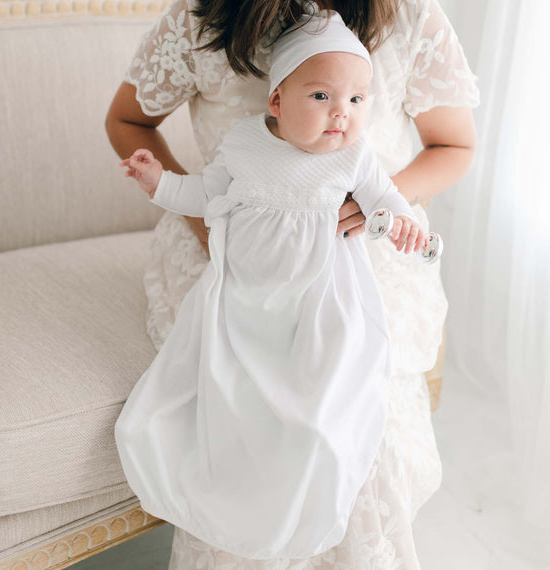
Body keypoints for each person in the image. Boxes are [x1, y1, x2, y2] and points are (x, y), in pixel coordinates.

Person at [106, 0, 479, 567]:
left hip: (359, 253)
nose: (340, 111)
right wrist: (208, 221)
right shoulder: (199, 19)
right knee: (242, 410)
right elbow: (129, 122)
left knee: (355, 420)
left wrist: (376, 204)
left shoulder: (408, 16)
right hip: (230, 251)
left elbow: (455, 145)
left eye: (353, 100)